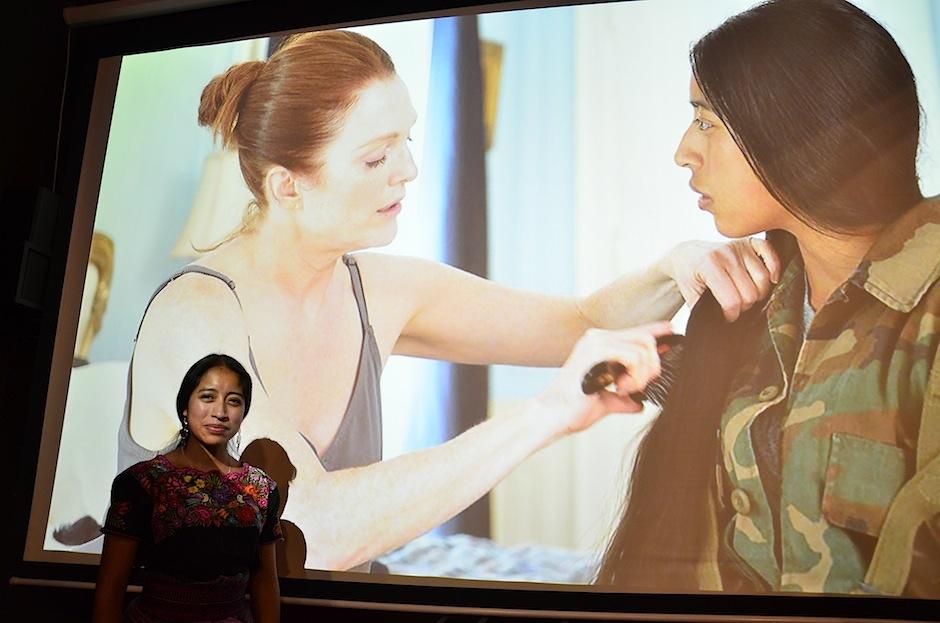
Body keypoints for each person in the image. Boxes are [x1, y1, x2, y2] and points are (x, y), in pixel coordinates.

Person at [120, 29, 783, 573]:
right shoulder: (196, 318)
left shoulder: (376, 288)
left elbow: (576, 323)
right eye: (378, 156)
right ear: (287, 185)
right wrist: (548, 412)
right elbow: (306, 530)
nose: (408, 169)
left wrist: (678, 266)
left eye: (406, 140)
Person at [596, 0, 939, 597]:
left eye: (705, 120)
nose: (684, 150)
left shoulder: (925, 317)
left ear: (799, 129)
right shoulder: (749, 305)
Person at [93, 355, 281, 622]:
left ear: (244, 412)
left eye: (234, 401)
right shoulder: (143, 482)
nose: (220, 412)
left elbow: (264, 582)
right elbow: (111, 586)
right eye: (208, 397)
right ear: (185, 406)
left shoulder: (262, 490)